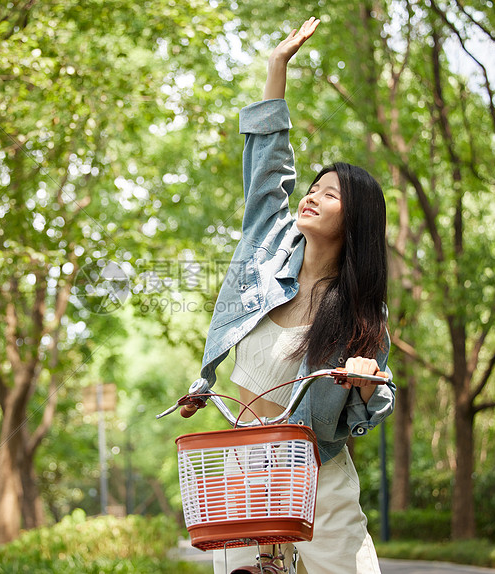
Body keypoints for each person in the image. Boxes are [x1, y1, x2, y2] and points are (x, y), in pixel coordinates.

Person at [197, 17, 396, 574]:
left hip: (317, 466)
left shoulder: (362, 313)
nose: (311, 196)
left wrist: (363, 379)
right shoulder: (265, 246)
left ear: (353, 220)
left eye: (328, 194)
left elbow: (376, 400)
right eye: (313, 187)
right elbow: (268, 165)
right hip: (243, 462)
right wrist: (276, 68)